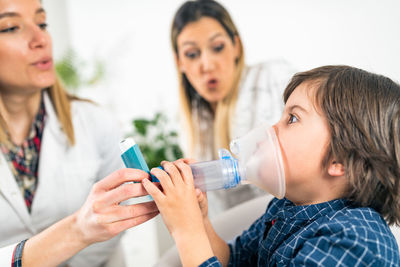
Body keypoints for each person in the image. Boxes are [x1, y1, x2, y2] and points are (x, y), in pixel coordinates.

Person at [143, 65, 400, 266]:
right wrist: (199, 220)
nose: (271, 129)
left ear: (339, 159)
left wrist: (186, 232)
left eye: (293, 118)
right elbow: (234, 261)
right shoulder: (287, 206)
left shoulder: (353, 243)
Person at [0, 0, 158, 266]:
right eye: (11, 27)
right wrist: (74, 233)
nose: (40, 39)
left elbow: (113, 227)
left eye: (42, 23)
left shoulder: (96, 123)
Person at [171, 0, 296, 215]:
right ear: (180, 62)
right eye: (192, 54)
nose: (207, 65)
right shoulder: (190, 123)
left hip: (287, 218)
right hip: (238, 236)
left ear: (236, 47)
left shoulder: (274, 78)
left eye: (217, 48)